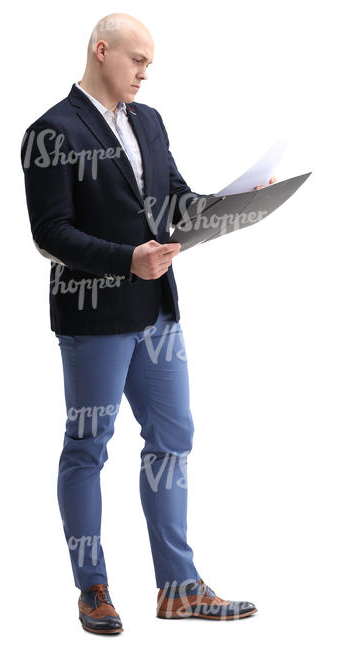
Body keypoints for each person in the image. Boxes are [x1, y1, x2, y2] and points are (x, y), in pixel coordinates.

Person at [21, 12, 274, 635]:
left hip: (157, 312)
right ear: (101, 50)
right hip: (93, 314)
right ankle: (94, 589)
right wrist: (125, 261)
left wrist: (237, 203)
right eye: (137, 60)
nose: (144, 73)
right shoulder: (49, 131)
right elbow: (49, 233)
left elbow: (174, 201)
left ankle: (178, 587)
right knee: (87, 448)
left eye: (150, 64)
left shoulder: (150, 122)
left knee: (173, 439)